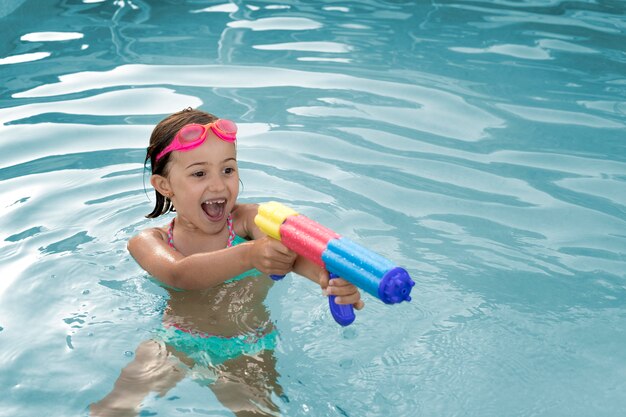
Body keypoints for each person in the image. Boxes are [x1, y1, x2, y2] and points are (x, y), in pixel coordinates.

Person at [90, 108, 364, 417]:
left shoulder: (248, 222)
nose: (219, 185)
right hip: (175, 341)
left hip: (247, 346)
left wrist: (328, 280)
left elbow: (290, 254)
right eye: (199, 173)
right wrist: (249, 254)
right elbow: (180, 275)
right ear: (164, 185)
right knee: (114, 408)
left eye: (228, 170)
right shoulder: (149, 242)